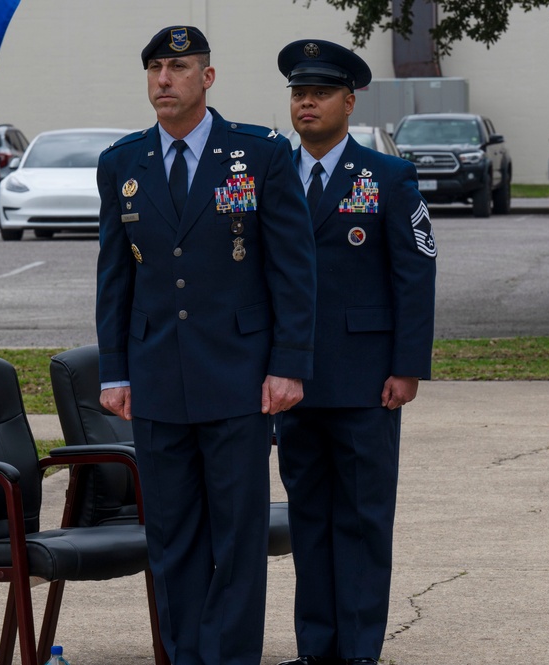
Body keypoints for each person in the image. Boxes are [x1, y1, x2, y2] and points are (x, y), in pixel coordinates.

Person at [95, 25, 317, 665]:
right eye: (155, 68)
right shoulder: (123, 161)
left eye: (179, 66)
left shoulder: (262, 154)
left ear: (208, 78)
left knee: (238, 534)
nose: (163, 79)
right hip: (157, 376)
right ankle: (187, 654)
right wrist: (116, 371)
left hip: (239, 375)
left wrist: (289, 364)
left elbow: (293, 269)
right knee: (172, 535)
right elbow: (115, 275)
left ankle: (231, 656)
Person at [274, 39, 437, 665]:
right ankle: (317, 649)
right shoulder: (271, 174)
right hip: (294, 379)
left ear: (349, 100)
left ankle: (360, 651)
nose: (306, 102)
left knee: (364, 520)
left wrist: (407, 365)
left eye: (318, 92)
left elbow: (415, 271)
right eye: (297, 92)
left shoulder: (387, 176)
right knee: (309, 519)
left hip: (367, 380)